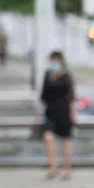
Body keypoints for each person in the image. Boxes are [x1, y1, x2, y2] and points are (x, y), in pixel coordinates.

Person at [39, 50, 76, 180]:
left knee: (66, 141)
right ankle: (53, 167)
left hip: (64, 111)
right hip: (50, 111)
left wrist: (73, 112)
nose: (53, 63)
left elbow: (72, 96)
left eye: (55, 60)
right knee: (48, 138)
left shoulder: (66, 76)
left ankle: (67, 169)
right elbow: (43, 96)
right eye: (51, 60)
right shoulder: (47, 75)